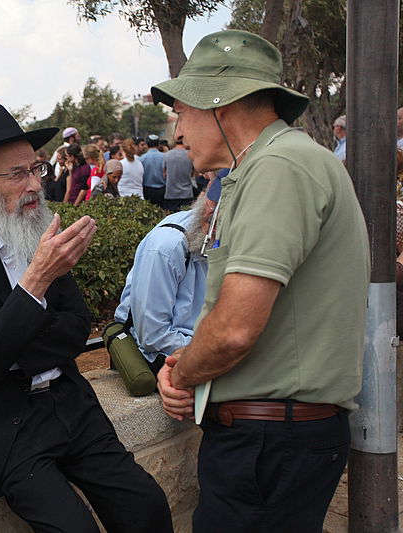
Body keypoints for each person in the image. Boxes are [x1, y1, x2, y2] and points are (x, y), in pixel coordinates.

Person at [0, 103, 173, 533]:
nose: (34, 185)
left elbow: (73, 327)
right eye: (17, 174)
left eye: (36, 169)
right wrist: (35, 281)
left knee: (146, 506)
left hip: (67, 403)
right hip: (1, 420)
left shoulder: (38, 225)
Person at [151, 30, 369, 533]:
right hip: (275, 438)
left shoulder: (277, 167)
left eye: (182, 112)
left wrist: (181, 378)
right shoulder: (274, 164)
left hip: (270, 444)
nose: (178, 132)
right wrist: (191, 358)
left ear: (219, 103)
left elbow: (233, 330)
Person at [114, 179, 220, 377]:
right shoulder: (166, 247)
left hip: (199, 343)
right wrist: (210, 348)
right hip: (159, 354)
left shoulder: (221, 236)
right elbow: (152, 336)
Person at [163, 141, 195, 211]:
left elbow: (164, 174)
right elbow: (193, 174)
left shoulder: (167, 155)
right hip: (187, 194)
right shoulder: (190, 155)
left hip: (171, 193)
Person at [140, 134, 166, 208]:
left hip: (147, 190)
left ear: (147, 144)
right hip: (162, 190)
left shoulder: (142, 158)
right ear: (158, 144)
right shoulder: (164, 157)